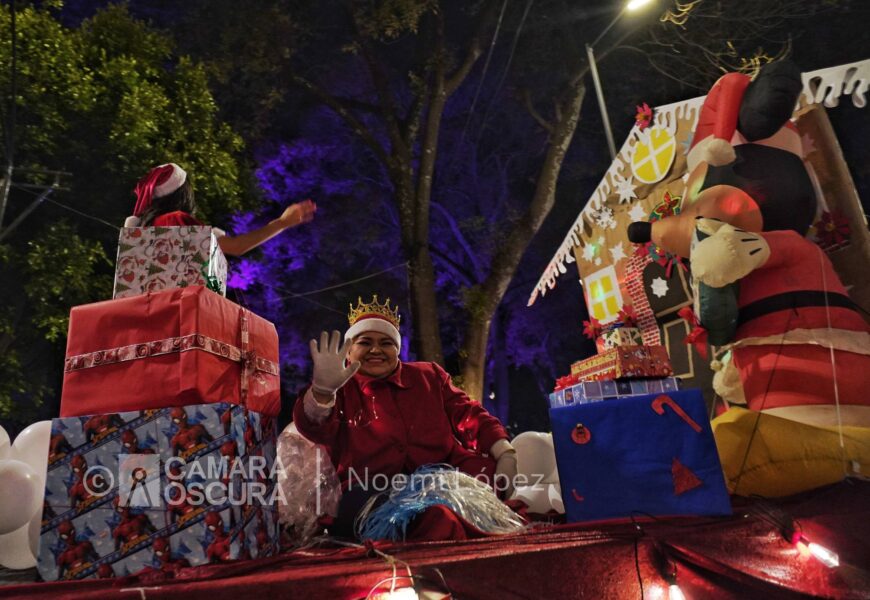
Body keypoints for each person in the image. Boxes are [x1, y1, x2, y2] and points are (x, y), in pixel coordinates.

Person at [292, 296, 519, 541]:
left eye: (386, 343)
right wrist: (322, 392)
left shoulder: (428, 376)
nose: (376, 350)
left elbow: (470, 414)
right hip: (369, 490)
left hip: (445, 477)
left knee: (486, 484)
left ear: (397, 349)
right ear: (349, 350)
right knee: (427, 518)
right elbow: (313, 426)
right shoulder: (340, 388)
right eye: (365, 342)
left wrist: (504, 451)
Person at [124, 163, 316, 256]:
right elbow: (236, 246)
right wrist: (282, 223)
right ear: (184, 194)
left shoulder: (143, 228)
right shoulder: (175, 220)